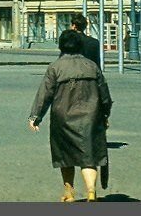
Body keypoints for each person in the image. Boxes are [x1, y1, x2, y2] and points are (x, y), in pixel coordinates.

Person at [29, 30, 113, 203]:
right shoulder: (91, 66)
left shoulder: (55, 67)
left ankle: (69, 193)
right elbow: (104, 94)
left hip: (63, 118)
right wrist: (105, 114)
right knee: (89, 157)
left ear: (61, 45)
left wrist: (35, 116)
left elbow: (45, 94)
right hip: (91, 117)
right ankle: (91, 192)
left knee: (65, 156)